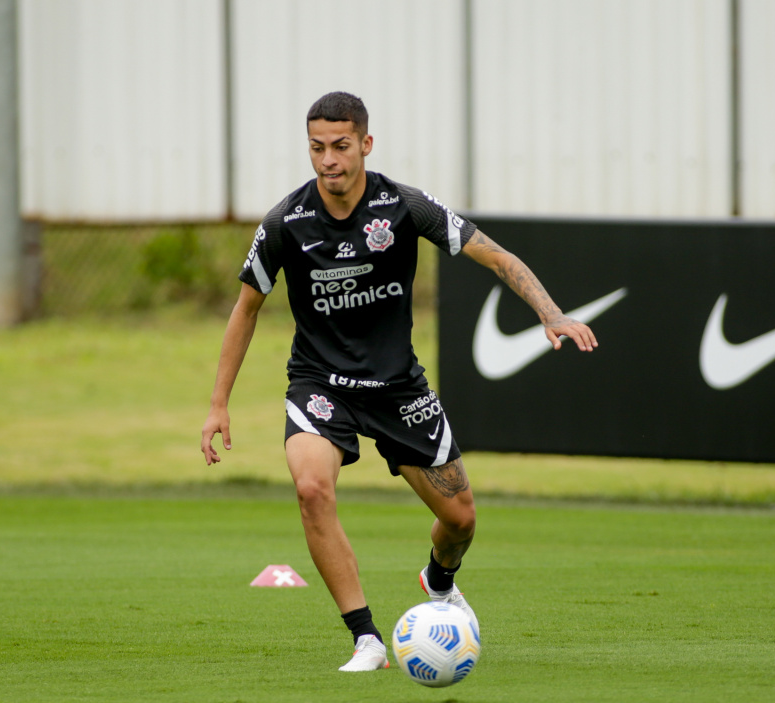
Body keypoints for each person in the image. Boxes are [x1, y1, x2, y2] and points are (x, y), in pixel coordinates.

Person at [201, 91, 598, 672]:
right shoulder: (285, 222)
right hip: (320, 384)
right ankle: (366, 639)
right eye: (317, 148)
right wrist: (218, 404)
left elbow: (493, 255)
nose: (328, 160)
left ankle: (439, 580)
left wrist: (551, 312)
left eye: (340, 146)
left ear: (365, 143)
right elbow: (246, 309)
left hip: (398, 389)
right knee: (312, 488)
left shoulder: (404, 207)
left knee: (461, 519)